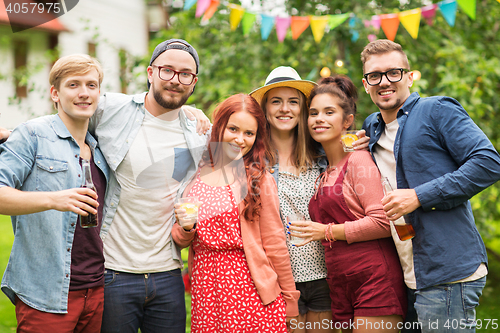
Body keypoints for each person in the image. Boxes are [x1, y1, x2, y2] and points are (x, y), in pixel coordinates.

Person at [360, 39, 500, 332]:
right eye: (375, 76)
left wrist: (419, 196)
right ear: (365, 84)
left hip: (447, 272)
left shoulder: (437, 110)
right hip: (406, 274)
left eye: (393, 72)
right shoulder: (372, 126)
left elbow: (489, 162)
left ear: (410, 77)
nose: (384, 82)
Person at [87, 39, 210, 333]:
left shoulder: (199, 133)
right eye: (167, 70)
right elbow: (63, 123)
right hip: (114, 271)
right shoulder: (110, 110)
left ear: (193, 83)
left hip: (168, 273)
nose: (175, 80)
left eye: (185, 74)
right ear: (150, 72)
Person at [171, 93, 299, 333]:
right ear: (219, 127)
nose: (240, 139)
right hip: (207, 290)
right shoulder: (196, 174)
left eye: (249, 133)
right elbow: (180, 237)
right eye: (233, 129)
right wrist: (187, 228)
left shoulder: (258, 178)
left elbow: (275, 243)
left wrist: (290, 301)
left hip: (250, 290)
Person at [289, 75, 407, 332]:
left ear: (348, 121)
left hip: (374, 280)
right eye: (313, 113)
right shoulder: (324, 171)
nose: (319, 118)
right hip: (340, 285)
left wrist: (325, 232)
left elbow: (382, 222)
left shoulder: (358, 161)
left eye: (329, 112)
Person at [0, 54, 109, 332]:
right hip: (45, 292)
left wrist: (189, 112)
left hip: (96, 289)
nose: (84, 93)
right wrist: (54, 199)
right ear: (55, 94)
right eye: (73, 85)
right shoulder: (32, 135)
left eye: (91, 85)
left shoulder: (101, 148)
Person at [250, 66, 335, 333]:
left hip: (324, 276)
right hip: (279, 280)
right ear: (265, 108)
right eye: (276, 101)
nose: (284, 109)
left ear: (302, 109)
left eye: (293, 102)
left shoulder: (323, 155)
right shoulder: (252, 161)